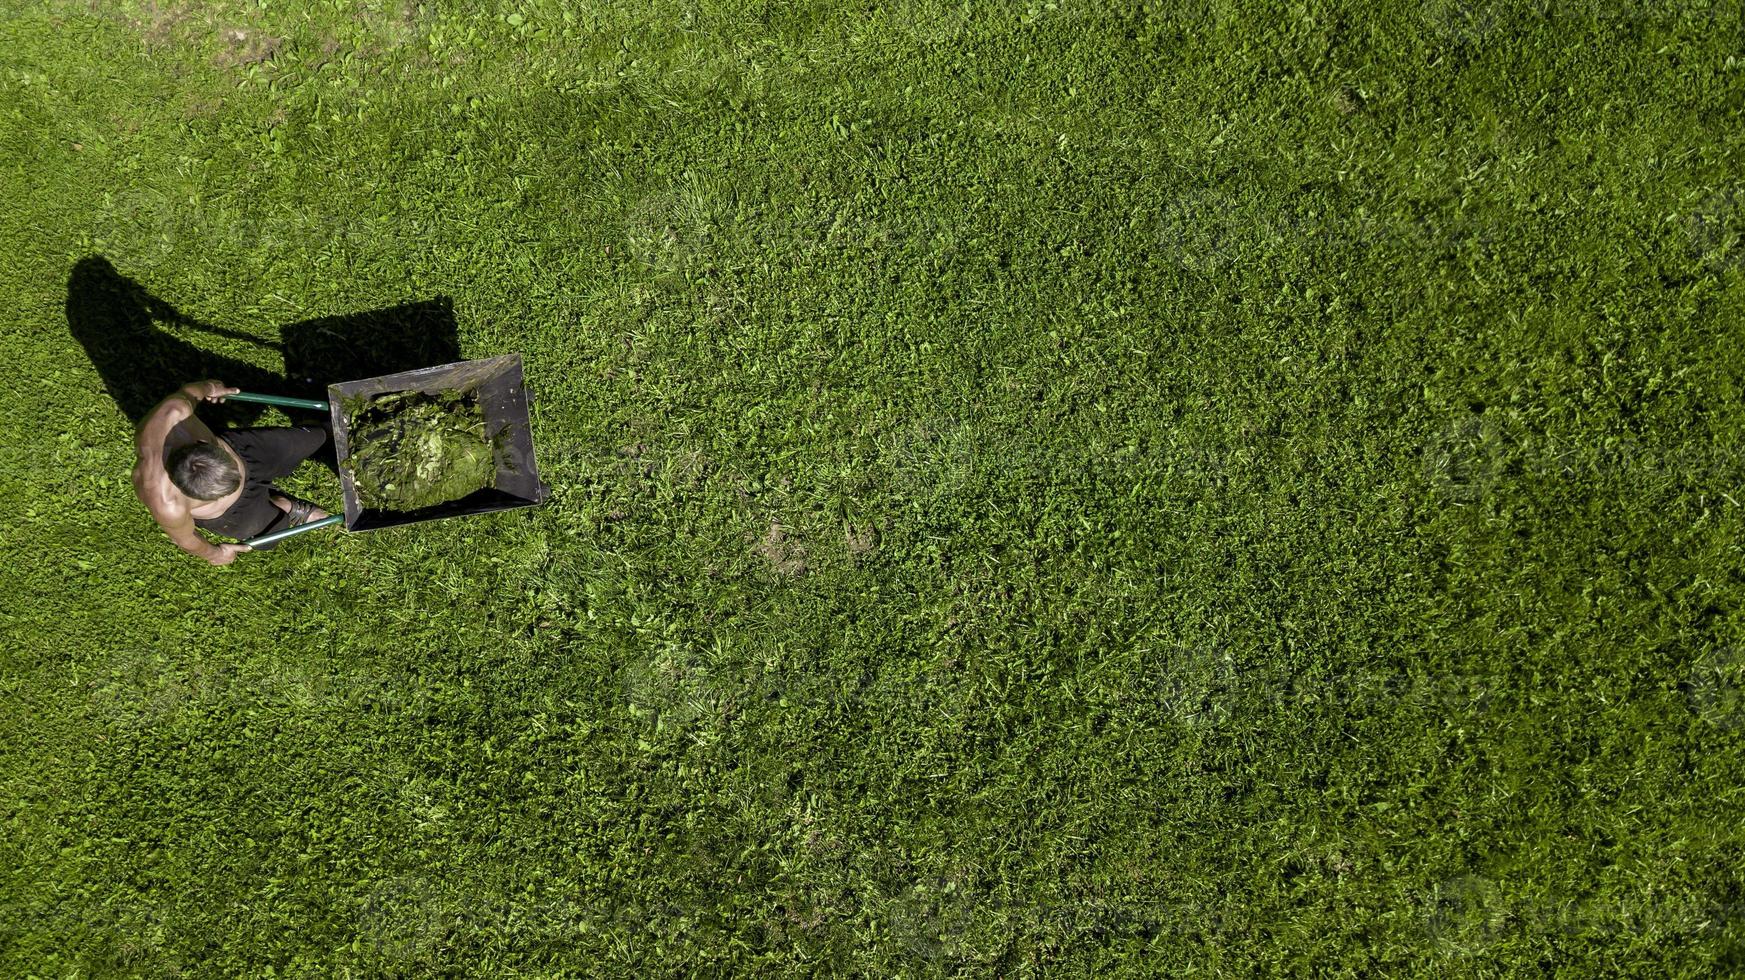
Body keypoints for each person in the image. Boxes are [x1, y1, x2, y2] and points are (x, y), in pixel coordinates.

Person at [133, 380, 330, 564]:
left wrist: (210, 387)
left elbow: (191, 391)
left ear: (203, 443)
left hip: (244, 451)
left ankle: (318, 430)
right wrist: (215, 554)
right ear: (186, 491)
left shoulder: (175, 412)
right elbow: (186, 540)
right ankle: (284, 504)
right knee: (272, 531)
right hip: (234, 512)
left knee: (313, 438)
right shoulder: (166, 504)